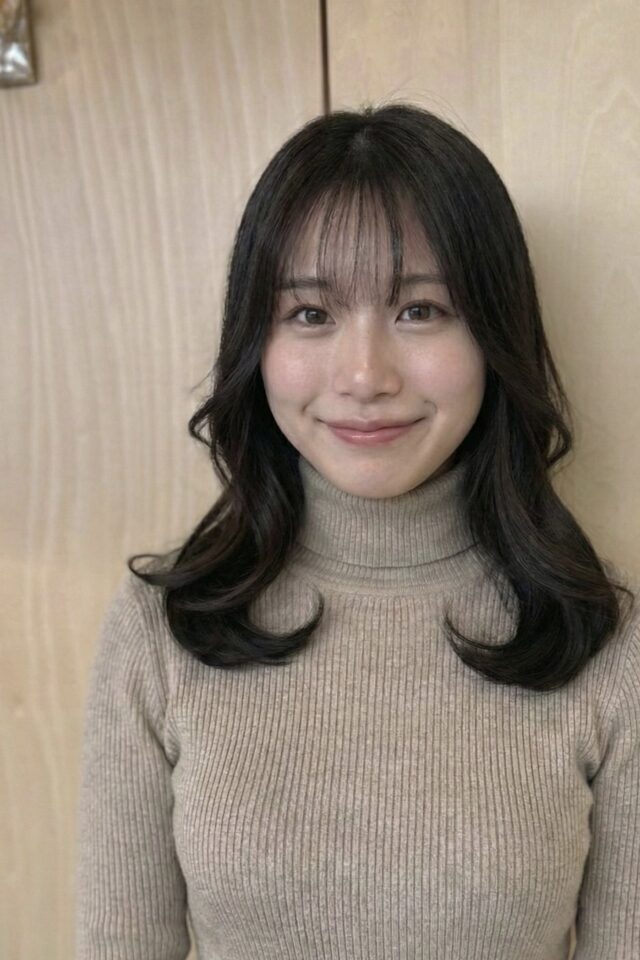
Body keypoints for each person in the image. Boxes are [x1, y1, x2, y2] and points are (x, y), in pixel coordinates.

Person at [74, 102, 639, 960]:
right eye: (311, 314)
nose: (366, 375)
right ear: (255, 341)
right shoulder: (160, 630)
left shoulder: (605, 639)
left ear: (495, 333)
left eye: (421, 309)